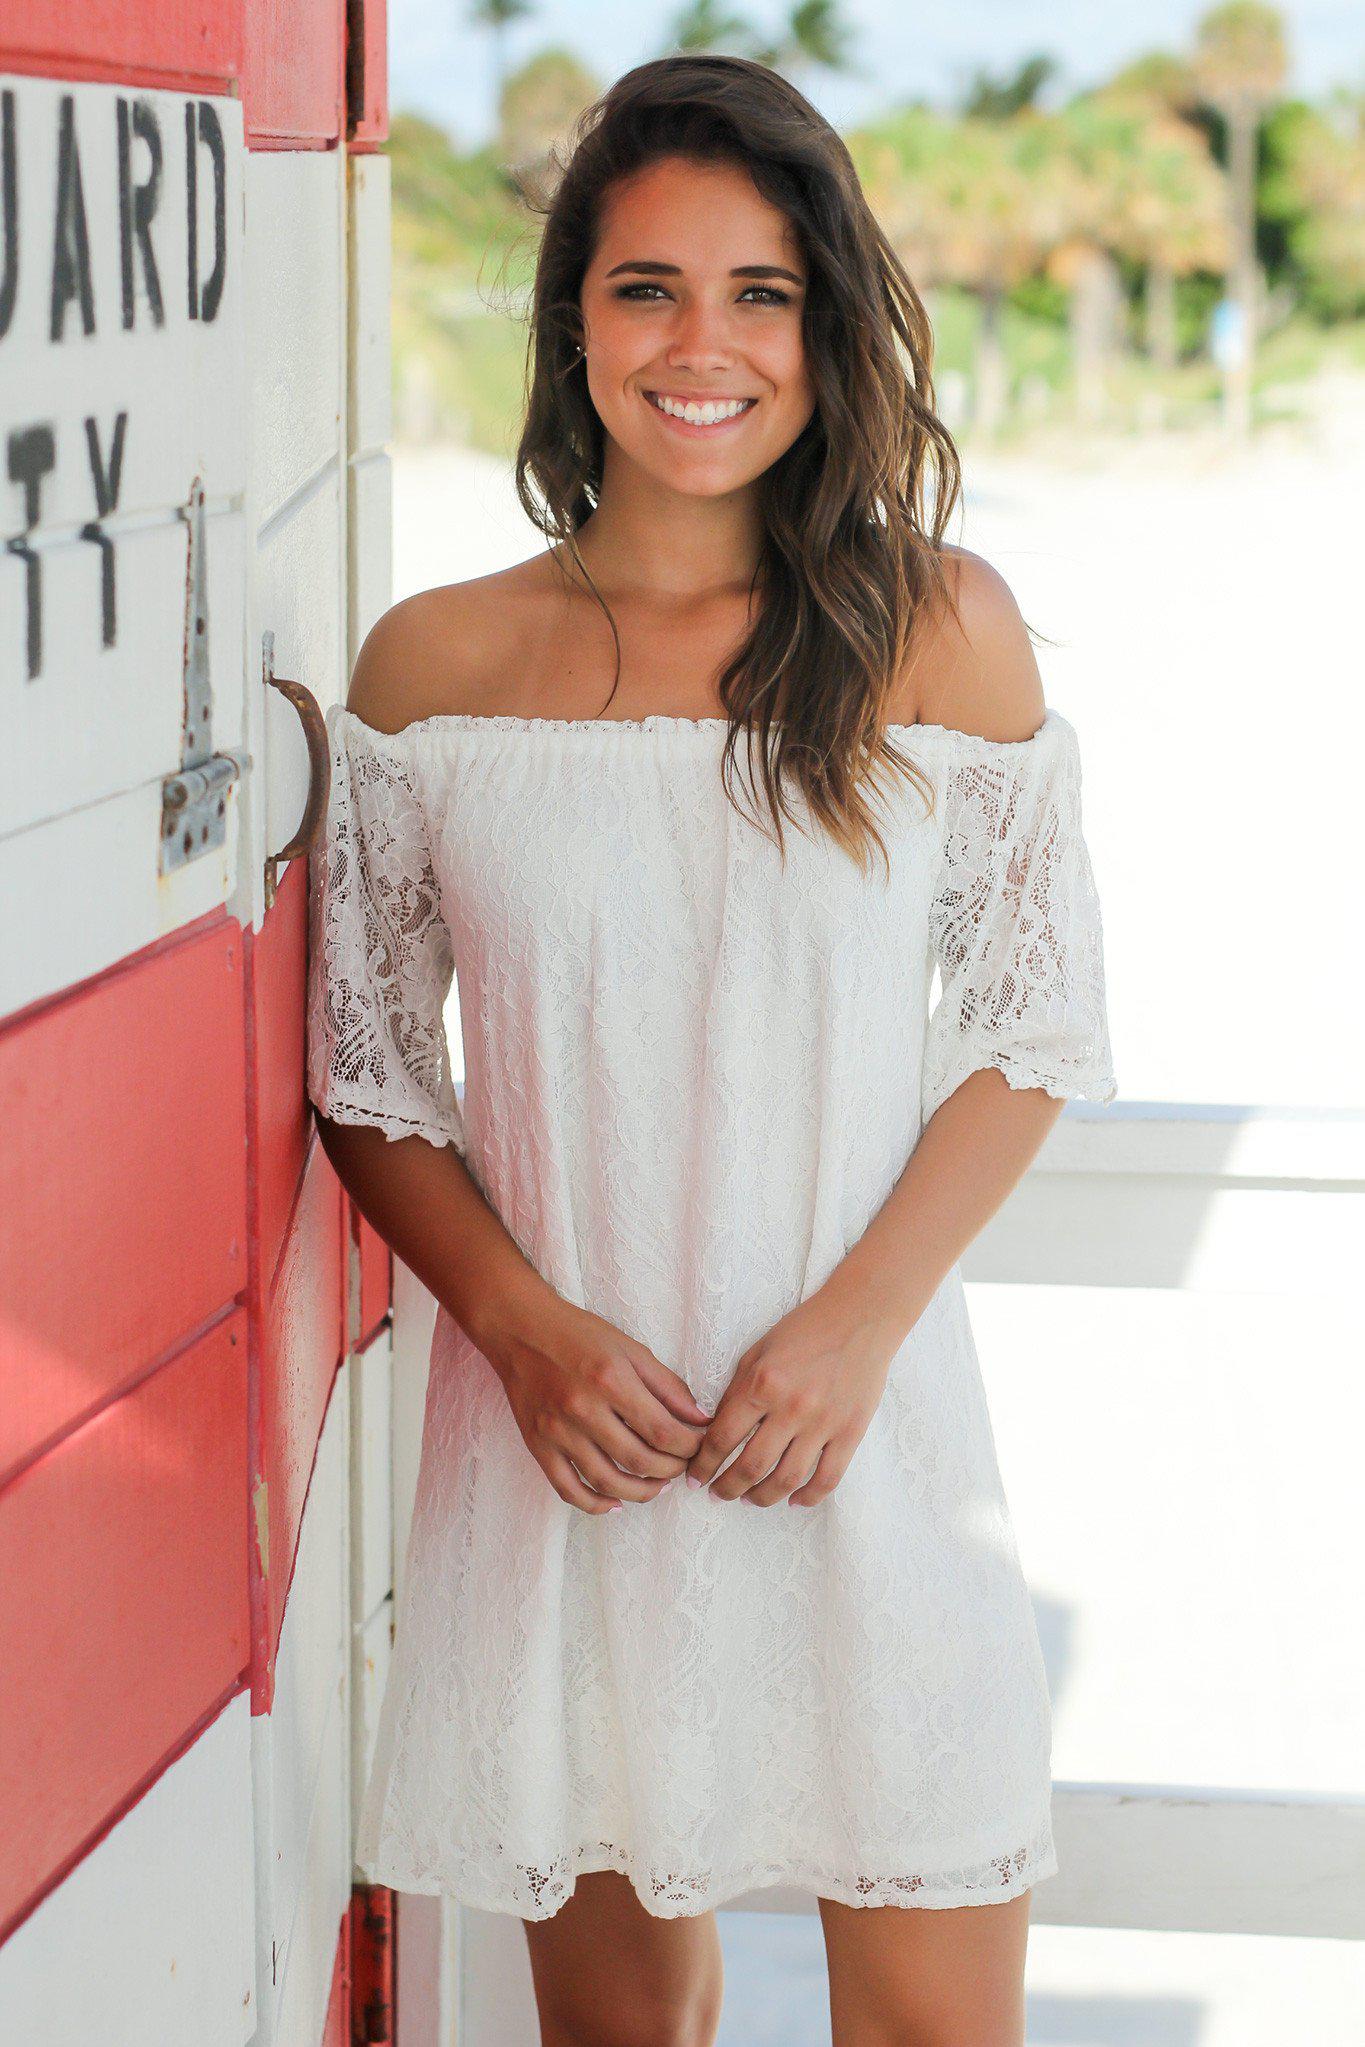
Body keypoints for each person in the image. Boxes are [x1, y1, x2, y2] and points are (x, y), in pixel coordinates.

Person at [306, 53, 1116, 2047]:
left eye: (759, 293)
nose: (702, 346)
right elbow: (370, 1067)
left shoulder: (937, 631)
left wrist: (850, 1327)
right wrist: (515, 1325)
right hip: (570, 1457)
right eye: (647, 286)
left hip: (868, 1444)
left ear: (824, 331)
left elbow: (1030, 1026)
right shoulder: (436, 666)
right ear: (570, 313)